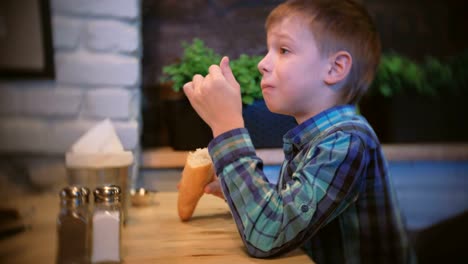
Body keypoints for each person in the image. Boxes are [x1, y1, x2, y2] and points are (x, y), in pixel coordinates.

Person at [182, 0, 415, 263]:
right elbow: (288, 214)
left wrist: (226, 126)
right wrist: (238, 192)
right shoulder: (316, 137)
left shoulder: (346, 141)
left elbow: (268, 237)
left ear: (334, 68)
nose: (262, 64)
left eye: (283, 49)